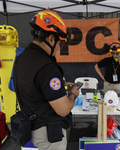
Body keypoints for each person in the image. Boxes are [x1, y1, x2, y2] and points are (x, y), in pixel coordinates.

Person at [13, 10, 79, 150]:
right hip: (48, 133)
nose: (58, 50)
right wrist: (73, 94)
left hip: (31, 124)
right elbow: (63, 110)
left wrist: (60, 86)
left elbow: (33, 85)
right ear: (50, 39)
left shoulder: (22, 58)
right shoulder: (47, 67)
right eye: (59, 44)